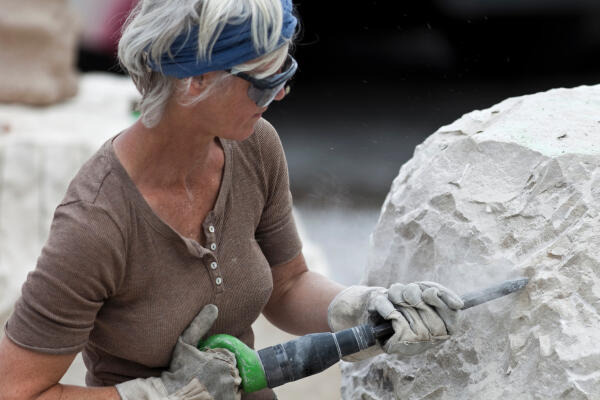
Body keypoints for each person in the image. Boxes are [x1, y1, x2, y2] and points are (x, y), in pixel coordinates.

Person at [0, 0, 464, 399]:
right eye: (264, 81)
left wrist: (363, 309)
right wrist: (157, 394)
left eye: (287, 71)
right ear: (195, 81)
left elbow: (288, 286)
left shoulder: (253, 146)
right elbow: (16, 389)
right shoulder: (98, 223)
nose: (281, 93)